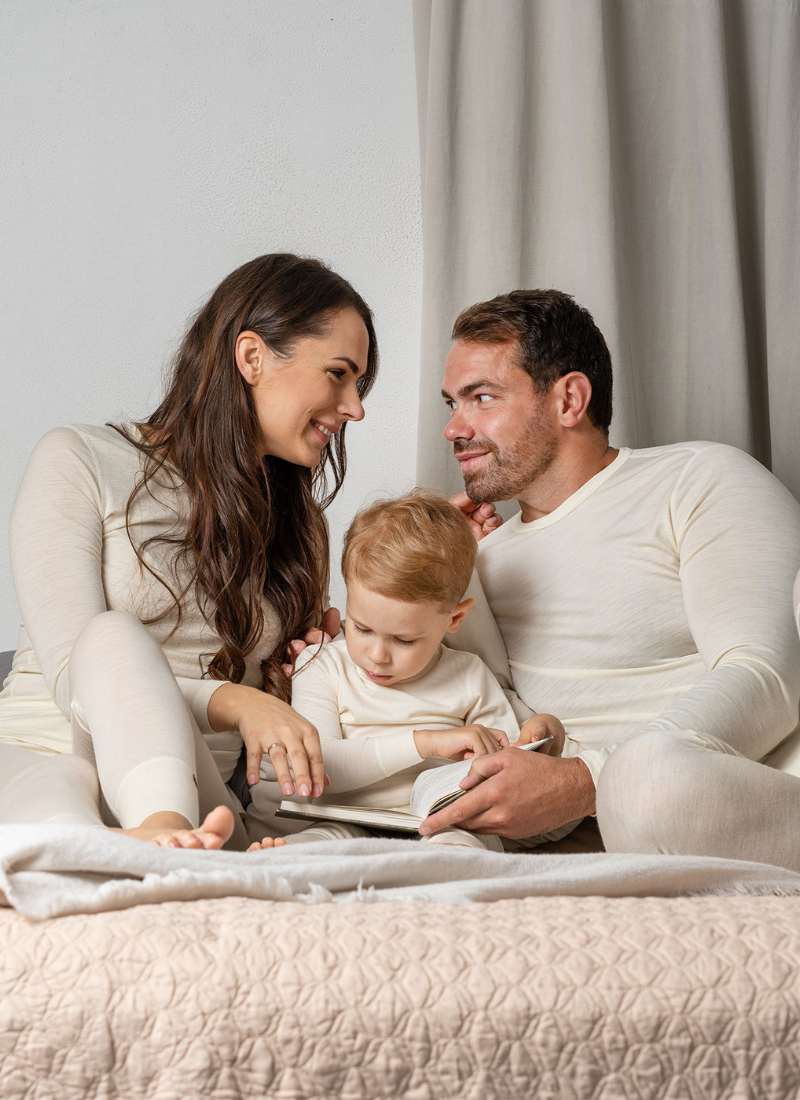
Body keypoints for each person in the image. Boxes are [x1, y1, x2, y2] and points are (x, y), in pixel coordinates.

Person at [0, 253, 376, 850]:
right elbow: (76, 675)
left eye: (360, 384)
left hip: (202, 804)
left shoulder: (300, 527)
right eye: (339, 373)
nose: (355, 406)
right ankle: (151, 838)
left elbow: (287, 722)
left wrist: (419, 562)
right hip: (47, 753)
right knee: (113, 640)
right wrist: (236, 703)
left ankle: (158, 841)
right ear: (252, 358)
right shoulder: (79, 459)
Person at [420, 288, 800, 871]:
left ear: (569, 398)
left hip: (703, 796)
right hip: (556, 833)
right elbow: (485, 697)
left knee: (646, 779)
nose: (453, 428)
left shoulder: (697, 479)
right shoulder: (484, 559)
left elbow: (769, 671)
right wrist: (450, 575)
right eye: (452, 403)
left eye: (482, 398)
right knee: (434, 791)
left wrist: (587, 780)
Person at [250, 491, 566, 851]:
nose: (378, 655)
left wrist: (544, 736)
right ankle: (286, 863)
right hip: (339, 818)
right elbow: (320, 764)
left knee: (466, 849)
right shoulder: (321, 665)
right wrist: (427, 743)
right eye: (362, 628)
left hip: (439, 826)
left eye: (404, 640)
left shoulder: (468, 674)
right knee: (319, 844)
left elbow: (508, 764)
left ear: (455, 618)